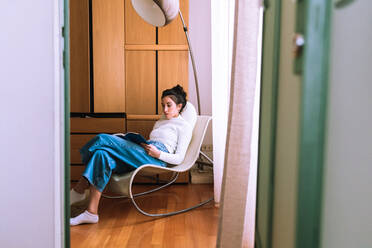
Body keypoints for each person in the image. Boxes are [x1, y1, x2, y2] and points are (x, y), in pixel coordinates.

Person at [70, 85, 192, 226]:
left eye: (169, 105)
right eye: (163, 105)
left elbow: (179, 158)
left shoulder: (184, 127)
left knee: (102, 139)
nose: (165, 109)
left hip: (157, 158)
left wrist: (158, 154)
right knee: (101, 154)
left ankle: (79, 188)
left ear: (179, 106)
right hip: (146, 150)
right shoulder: (161, 120)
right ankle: (91, 213)